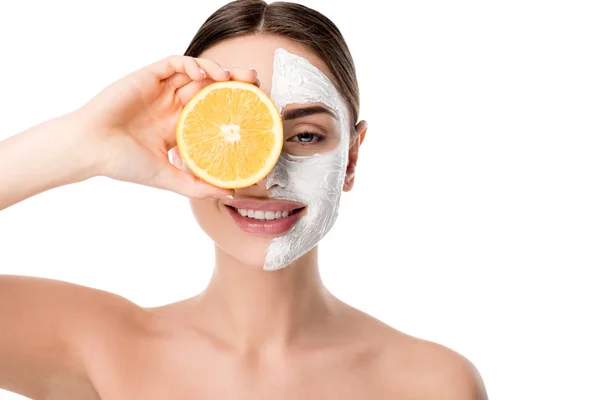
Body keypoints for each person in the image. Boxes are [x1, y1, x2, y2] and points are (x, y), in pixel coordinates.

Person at [0, 0, 487, 398]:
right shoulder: (99, 347)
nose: (264, 174)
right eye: (231, 133)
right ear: (183, 146)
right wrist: (85, 143)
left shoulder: (433, 385)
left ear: (352, 159)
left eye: (305, 136)